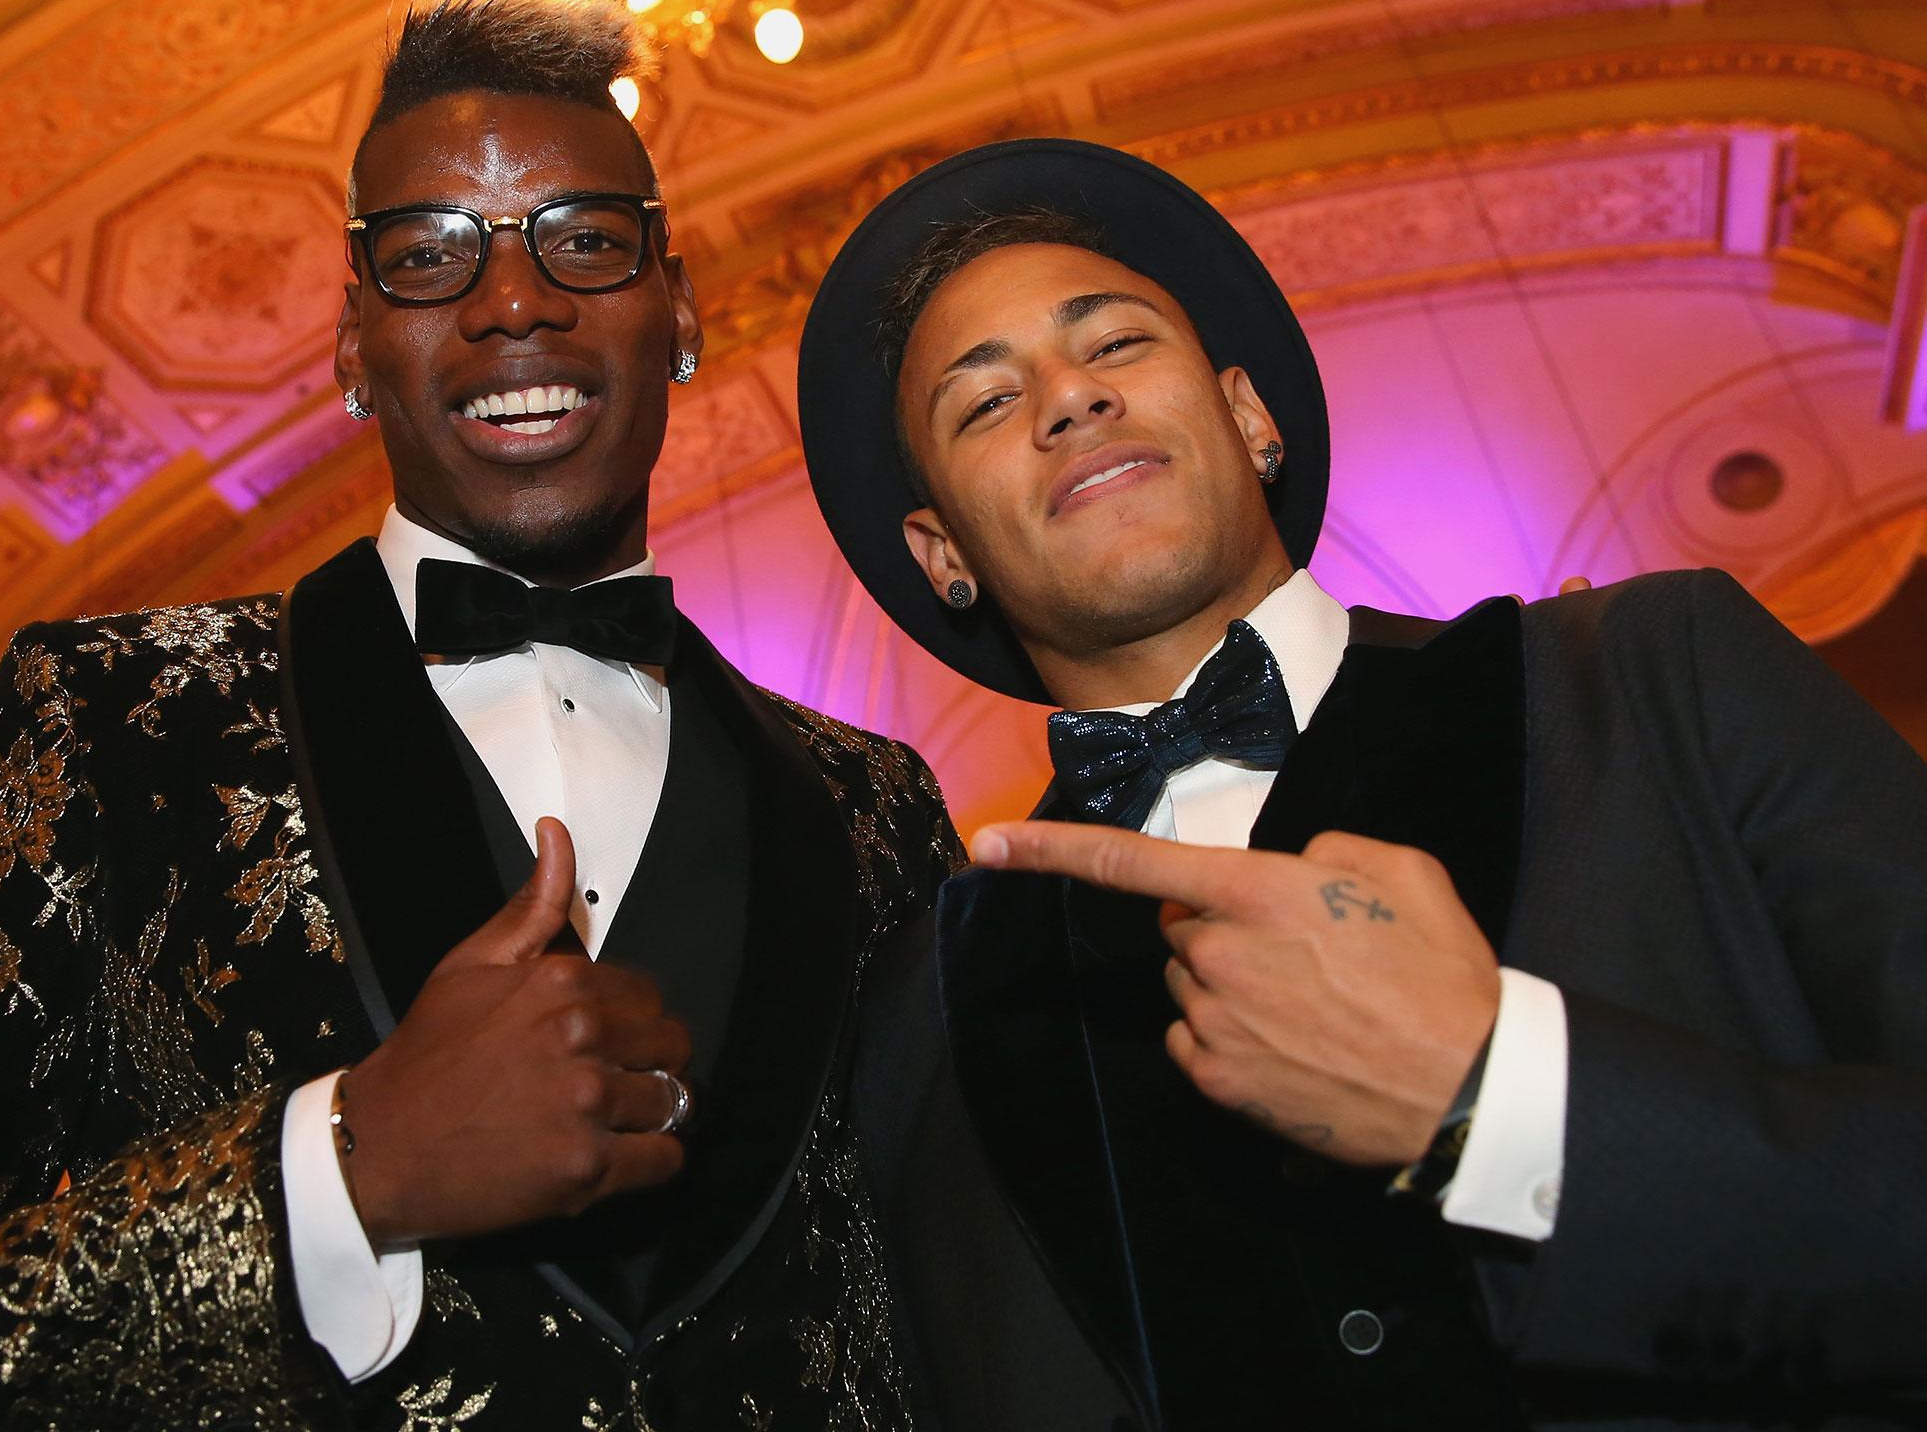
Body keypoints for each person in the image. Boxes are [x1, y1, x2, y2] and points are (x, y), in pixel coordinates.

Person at [0, 0, 955, 1431]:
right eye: (428, 256)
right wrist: (341, 1169)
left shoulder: (879, 804)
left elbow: (965, 1309)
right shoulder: (101, 715)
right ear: (349, 347)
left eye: (584, 239)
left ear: (681, 310)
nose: (515, 301)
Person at [798, 138, 1927, 1431]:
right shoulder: (927, 1004)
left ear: (1249, 416)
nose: (1068, 400)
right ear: (944, 552)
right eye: (985, 403)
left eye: (1114, 345)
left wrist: (1497, 1100)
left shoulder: (1654, 679)